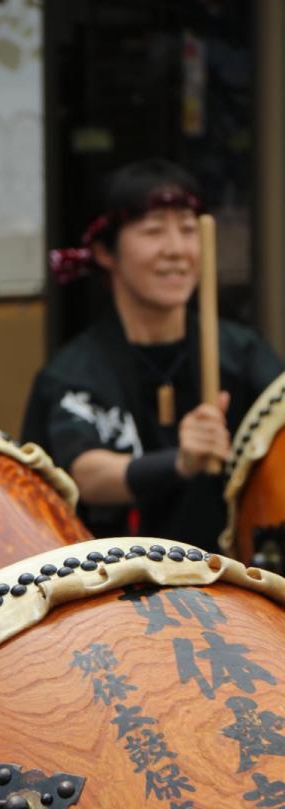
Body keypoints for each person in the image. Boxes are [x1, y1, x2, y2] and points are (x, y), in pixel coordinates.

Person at [22, 158, 285, 549]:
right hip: (120, 588)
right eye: (153, 231)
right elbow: (86, 473)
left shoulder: (241, 353)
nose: (177, 250)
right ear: (105, 252)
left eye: (187, 230)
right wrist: (181, 461)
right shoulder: (76, 372)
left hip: (233, 579)